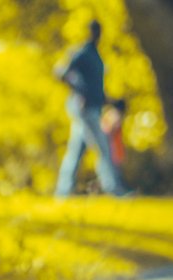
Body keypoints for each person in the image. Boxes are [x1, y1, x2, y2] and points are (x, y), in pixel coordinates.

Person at [53, 20, 126, 199]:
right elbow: (61, 72)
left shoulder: (95, 55)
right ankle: (114, 188)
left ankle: (63, 191)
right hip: (85, 108)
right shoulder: (83, 53)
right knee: (104, 147)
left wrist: (110, 101)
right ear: (89, 32)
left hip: (94, 107)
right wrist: (79, 92)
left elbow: (95, 88)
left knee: (76, 150)